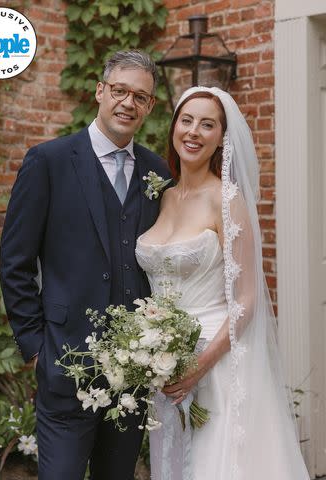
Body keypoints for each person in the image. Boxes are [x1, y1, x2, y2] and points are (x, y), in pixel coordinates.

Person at [0, 50, 169, 480]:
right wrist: (36, 346)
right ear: (100, 91)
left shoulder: (158, 171)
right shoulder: (49, 161)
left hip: (133, 373)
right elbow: (15, 261)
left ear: (149, 107)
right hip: (65, 364)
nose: (128, 103)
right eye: (120, 91)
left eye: (141, 97)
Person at [135, 86, 310, 479]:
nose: (194, 131)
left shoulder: (227, 199)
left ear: (220, 139)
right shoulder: (162, 196)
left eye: (207, 124)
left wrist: (198, 366)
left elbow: (246, 299)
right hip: (162, 365)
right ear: (174, 127)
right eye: (187, 120)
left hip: (214, 362)